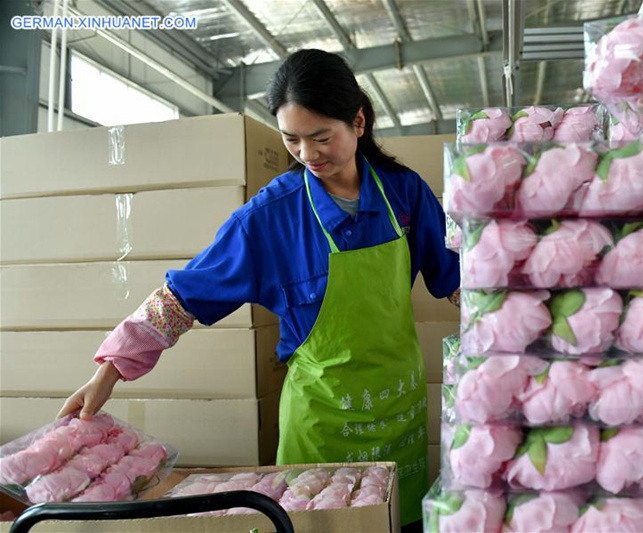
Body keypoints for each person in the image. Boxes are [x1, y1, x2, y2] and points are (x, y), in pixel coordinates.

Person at [58, 49, 460, 528]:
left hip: (398, 407)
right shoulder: (268, 220)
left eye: (321, 137)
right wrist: (107, 372)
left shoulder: (405, 193)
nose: (308, 155)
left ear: (358, 122)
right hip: (323, 424)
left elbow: (453, 278)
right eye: (292, 140)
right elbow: (182, 298)